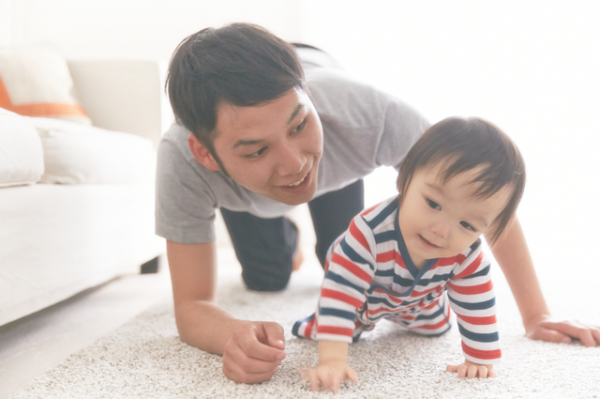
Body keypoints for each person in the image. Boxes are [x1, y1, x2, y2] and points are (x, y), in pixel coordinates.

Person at [155, 23, 600, 384]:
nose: (293, 164)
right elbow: (192, 305)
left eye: (298, 126)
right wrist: (233, 334)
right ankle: (282, 239)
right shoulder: (182, 162)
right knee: (266, 278)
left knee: (344, 255)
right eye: (255, 150)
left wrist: (536, 313)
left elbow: (476, 200)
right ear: (206, 153)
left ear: (310, 99)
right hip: (250, 197)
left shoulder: (365, 112)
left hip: (336, 155)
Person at [294, 116, 523, 392]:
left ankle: (417, 310)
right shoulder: (368, 233)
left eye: (467, 224)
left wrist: (480, 358)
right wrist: (331, 360)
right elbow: (340, 294)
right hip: (361, 293)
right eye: (433, 203)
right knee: (330, 329)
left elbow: (477, 301)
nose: (440, 230)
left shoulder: (467, 254)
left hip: (419, 298)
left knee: (437, 327)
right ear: (404, 181)